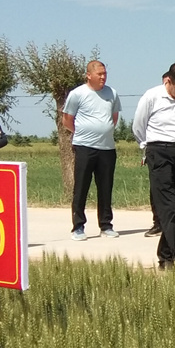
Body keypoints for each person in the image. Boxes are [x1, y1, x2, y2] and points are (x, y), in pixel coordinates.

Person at [132, 62, 175, 269]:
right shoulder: (152, 96)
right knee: (167, 206)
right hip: (159, 152)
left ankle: (165, 256)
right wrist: (148, 148)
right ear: (168, 81)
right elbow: (138, 126)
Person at [62, 60, 122, 241]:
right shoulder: (77, 94)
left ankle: (106, 225)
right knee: (81, 187)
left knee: (105, 188)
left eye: (105, 74)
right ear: (89, 75)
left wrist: (103, 130)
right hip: (85, 147)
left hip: (107, 148)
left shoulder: (112, 93)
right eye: (99, 74)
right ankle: (78, 226)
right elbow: (67, 120)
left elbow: (114, 117)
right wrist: (83, 132)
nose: (103, 77)